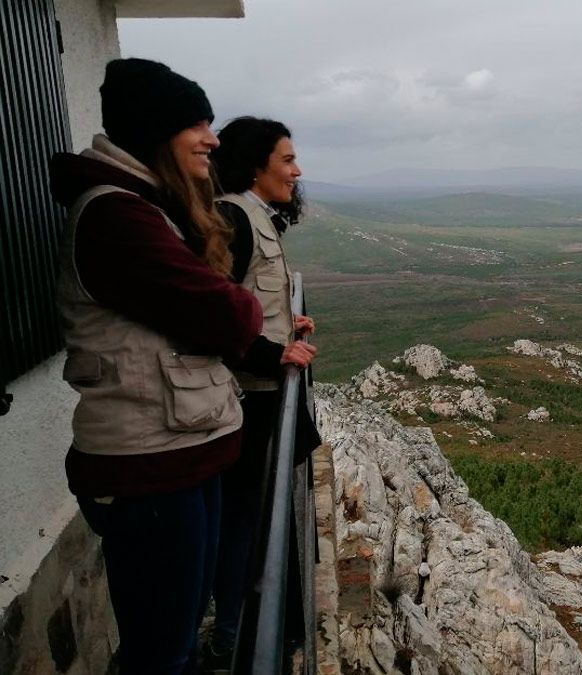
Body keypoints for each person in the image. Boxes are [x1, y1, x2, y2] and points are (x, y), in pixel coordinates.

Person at [49, 58, 264, 674]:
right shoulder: (118, 215)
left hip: (175, 454)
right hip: (147, 468)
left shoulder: (148, 208)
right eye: (196, 123)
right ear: (155, 131)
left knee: (176, 635)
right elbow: (230, 318)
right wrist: (241, 307)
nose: (212, 138)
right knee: (161, 649)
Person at [205, 116, 321, 667]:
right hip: (248, 398)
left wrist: (285, 329)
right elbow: (214, 313)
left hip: (262, 390)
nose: (297, 172)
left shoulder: (258, 218)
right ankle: (234, 635)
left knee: (254, 514)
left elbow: (252, 303)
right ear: (256, 166)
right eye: (287, 160)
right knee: (246, 519)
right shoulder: (234, 218)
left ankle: (247, 625)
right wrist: (271, 353)